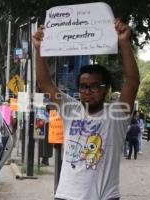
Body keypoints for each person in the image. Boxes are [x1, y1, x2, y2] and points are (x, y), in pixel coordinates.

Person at [33, 18, 140, 200]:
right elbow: (45, 84)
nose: (88, 91)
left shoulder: (117, 115)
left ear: (106, 88)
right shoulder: (70, 109)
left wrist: (123, 43)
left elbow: (132, 82)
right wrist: (38, 48)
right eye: (83, 86)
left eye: (95, 86)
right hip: (65, 196)